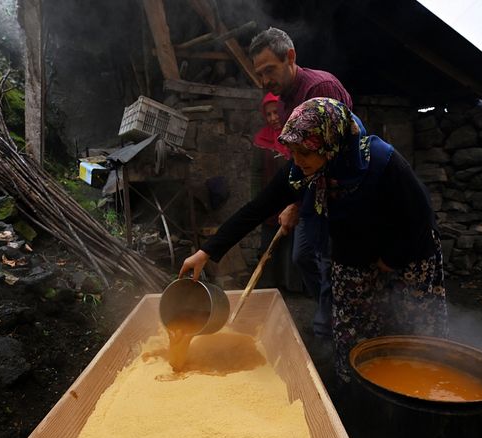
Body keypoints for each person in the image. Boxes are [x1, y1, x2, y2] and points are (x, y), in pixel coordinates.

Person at [179, 98, 449, 384]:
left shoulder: (382, 163)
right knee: (353, 332)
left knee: (410, 334)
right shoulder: (301, 171)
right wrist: (206, 252)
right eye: (292, 151)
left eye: (303, 152)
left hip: (407, 250)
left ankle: (417, 394)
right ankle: (357, 394)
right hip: (354, 251)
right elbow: (257, 209)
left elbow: (420, 217)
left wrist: (390, 260)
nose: (296, 160)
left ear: (329, 143)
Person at [249, 27, 354, 344]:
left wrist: (295, 202)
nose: (265, 81)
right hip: (309, 189)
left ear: (290, 57)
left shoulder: (321, 88)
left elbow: (330, 157)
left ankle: (335, 325)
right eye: (260, 74)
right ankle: (328, 308)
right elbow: (297, 159)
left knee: (327, 258)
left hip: (337, 192)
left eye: (270, 70)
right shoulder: (284, 100)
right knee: (302, 256)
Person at [252, 92, 302, 292]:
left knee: (291, 246)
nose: (273, 118)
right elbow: (255, 174)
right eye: (268, 114)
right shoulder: (261, 140)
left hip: (292, 200)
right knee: (268, 244)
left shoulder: (295, 137)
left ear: (284, 111)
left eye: (276, 112)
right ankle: (268, 285)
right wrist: (257, 201)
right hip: (269, 200)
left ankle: (292, 286)